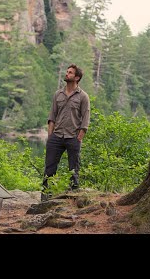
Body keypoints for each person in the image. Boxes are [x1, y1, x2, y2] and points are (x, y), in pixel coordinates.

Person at [41, 64, 91, 201]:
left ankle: (73, 198)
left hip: (73, 137)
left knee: (73, 170)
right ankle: (45, 198)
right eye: (67, 72)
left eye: (70, 73)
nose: (67, 74)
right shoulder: (58, 94)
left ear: (77, 77)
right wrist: (50, 137)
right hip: (56, 136)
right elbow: (52, 116)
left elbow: (85, 118)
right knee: (49, 169)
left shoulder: (83, 97)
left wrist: (79, 137)